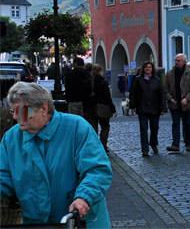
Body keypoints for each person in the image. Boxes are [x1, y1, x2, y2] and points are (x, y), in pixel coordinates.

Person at [0, 82, 112, 227]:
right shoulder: (12, 138)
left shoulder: (77, 128)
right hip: (37, 223)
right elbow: (3, 177)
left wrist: (84, 197)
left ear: (43, 109)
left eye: (21, 111)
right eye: (13, 111)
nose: (15, 117)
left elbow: (97, 170)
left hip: (78, 221)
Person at [128, 61, 166, 157]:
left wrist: (163, 107)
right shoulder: (138, 79)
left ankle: (153, 143)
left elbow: (162, 94)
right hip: (142, 107)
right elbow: (132, 93)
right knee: (143, 129)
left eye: (149, 67)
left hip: (155, 107)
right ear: (143, 69)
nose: (148, 69)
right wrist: (132, 106)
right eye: (146, 67)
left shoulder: (157, 80)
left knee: (154, 128)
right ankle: (145, 149)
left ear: (152, 69)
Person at [163, 54, 190, 152]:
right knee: (175, 124)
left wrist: (187, 99)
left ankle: (188, 143)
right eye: (175, 60)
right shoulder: (170, 73)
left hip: (186, 103)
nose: (176, 62)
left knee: (188, 123)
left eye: (178, 60)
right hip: (174, 103)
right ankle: (175, 144)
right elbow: (166, 88)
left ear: (184, 62)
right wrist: (170, 99)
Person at [85, 64, 117, 153]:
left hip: (91, 108)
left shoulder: (87, 82)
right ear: (100, 72)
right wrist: (113, 109)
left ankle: (94, 146)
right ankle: (103, 145)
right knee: (105, 127)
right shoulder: (103, 82)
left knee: (93, 128)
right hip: (103, 107)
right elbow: (107, 97)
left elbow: (84, 96)